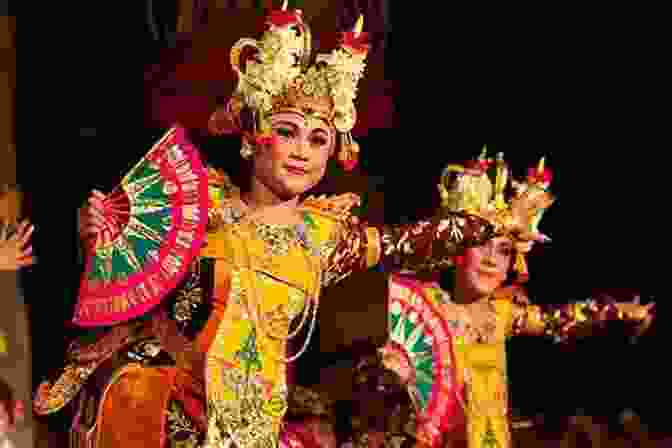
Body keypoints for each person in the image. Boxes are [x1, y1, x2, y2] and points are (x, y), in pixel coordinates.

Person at [32, 4, 521, 447]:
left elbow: (405, 244)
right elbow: (127, 247)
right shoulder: (204, 203)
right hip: (170, 410)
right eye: (286, 131)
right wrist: (96, 228)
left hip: (257, 422)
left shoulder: (326, 235)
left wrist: (487, 224)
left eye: (318, 138)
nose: (301, 150)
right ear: (253, 139)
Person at [380, 151, 654, 448]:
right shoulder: (425, 308)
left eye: (504, 250)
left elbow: (557, 319)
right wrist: (392, 377)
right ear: (457, 249)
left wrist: (616, 312)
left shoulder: (502, 314)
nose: (490, 261)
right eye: (479, 244)